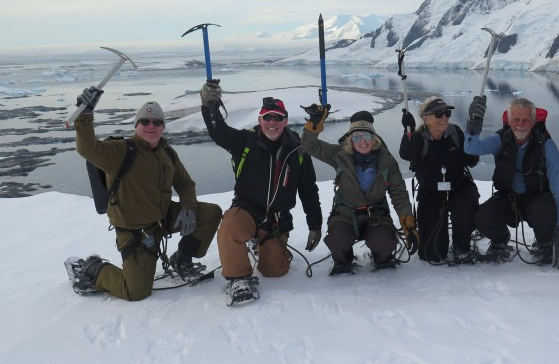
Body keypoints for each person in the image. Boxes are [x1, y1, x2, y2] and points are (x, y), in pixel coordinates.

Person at [65, 90, 222, 301]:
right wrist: (85, 115)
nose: (151, 126)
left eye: (157, 122)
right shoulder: (121, 151)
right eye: (145, 121)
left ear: (163, 127)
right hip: (136, 231)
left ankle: (182, 259)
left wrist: (188, 208)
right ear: (136, 125)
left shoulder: (167, 153)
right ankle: (94, 269)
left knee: (210, 213)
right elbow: (88, 149)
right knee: (136, 291)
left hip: (162, 219)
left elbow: (185, 184)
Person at [200, 83, 323, 306]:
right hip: (246, 210)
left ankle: (264, 245)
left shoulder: (298, 150)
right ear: (260, 120)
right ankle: (238, 278)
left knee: (274, 270)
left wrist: (315, 224)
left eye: (277, 118)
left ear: (285, 121)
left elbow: (308, 190)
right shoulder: (245, 142)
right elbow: (218, 131)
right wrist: (209, 105)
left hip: (277, 218)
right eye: (267, 118)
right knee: (230, 227)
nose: (272, 123)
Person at [301, 106, 418, 274]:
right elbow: (309, 145)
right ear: (350, 140)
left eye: (367, 135)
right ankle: (343, 260)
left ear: (374, 138)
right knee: (337, 239)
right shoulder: (339, 155)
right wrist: (314, 123)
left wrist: (408, 224)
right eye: (356, 137)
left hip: (376, 213)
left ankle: (382, 258)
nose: (362, 141)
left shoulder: (387, 161)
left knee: (384, 241)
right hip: (345, 212)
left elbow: (399, 194)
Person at [463, 96, 559, 268]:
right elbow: (471, 148)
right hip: (507, 198)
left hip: (536, 198)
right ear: (509, 120)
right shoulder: (499, 140)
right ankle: (501, 239)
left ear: (534, 121)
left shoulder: (546, 145)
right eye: (516, 119)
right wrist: (473, 124)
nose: (521, 124)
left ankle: (545, 243)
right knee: (482, 217)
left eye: (526, 120)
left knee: (545, 212)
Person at [398, 96, 480, 264]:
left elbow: (472, 161)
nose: (444, 118)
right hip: (431, 192)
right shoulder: (419, 138)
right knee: (432, 255)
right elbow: (406, 154)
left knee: (464, 209)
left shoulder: (455, 133)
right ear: (425, 118)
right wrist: (409, 130)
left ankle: (461, 246)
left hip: (459, 187)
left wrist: (473, 134)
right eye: (438, 114)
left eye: (447, 113)